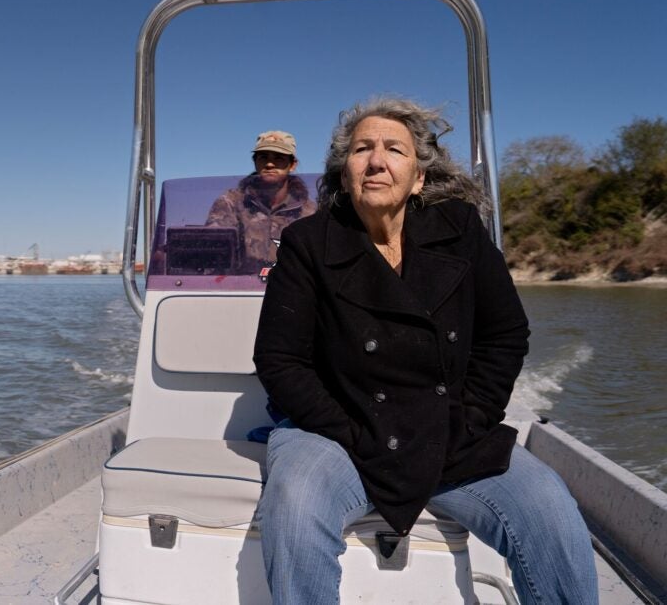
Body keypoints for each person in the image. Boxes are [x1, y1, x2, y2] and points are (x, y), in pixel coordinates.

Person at [253, 98, 597, 604]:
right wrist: (352, 431)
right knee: (296, 503)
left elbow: (505, 335)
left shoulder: (459, 230)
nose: (376, 160)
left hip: (449, 429)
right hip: (336, 432)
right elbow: (280, 361)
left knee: (550, 509)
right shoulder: (308, 242)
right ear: (344, 171)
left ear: (417, 177)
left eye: (395, 149)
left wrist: (475, 414)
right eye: (362, 149)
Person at [206, 130, 316, 272]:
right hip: (238, 290)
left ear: (292, 164)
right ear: (255, 161)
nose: (269, 164)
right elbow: (211, 252)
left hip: (291, 290)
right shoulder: (230, 203)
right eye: (263, 157)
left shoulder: (310, 211)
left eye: (279, 158)